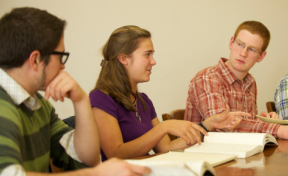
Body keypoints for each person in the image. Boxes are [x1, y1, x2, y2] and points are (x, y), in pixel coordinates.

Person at [0, 7, 150, 176]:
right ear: (36, 60)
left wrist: (81, 100)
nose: (63, 66)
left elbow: (85, 158)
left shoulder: (39, 106)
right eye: (60, 56)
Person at [89, 25, 251, 160]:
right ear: (124, 58)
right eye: (147, 54)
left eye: (152, 54)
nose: (153, 61)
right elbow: (115, 154)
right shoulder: (101, 98)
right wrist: (163, 127)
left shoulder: (143, 101)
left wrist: (208, 125)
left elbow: (166, 147)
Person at [184, 21, 288, 142]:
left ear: (261, 56)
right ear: (231, 43)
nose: (243, 53)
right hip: (203, 158)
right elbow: (224, 126)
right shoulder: (207, 78)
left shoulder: (250, 82)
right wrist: (280, 130)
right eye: (240, 44)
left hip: (235, 155)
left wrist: (259, 120)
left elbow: (241, 127)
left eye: (252, 49)